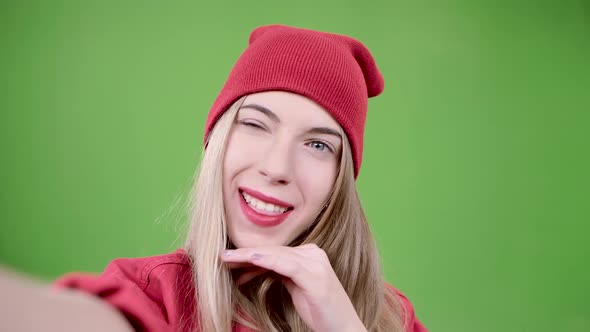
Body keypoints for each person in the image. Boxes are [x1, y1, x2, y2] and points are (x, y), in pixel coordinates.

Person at [1, 25, 427, 332]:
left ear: (340, 180)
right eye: (255, 124)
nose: (277, 168)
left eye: (318, 145)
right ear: (217, 142)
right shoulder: (157, 296)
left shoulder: (391, 317)